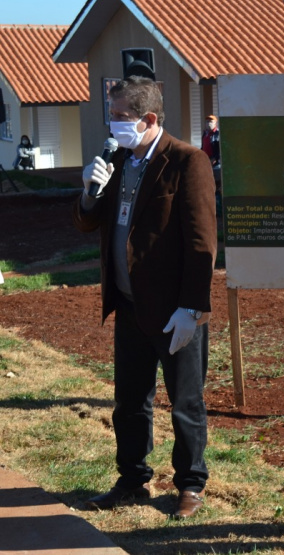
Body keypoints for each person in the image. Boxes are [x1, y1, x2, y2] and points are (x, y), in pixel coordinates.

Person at [72, 76, 217, 520]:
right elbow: (88, 223)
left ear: (149, 119)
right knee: (130, 401)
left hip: (175, 310)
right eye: (111, 116)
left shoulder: (186, 162)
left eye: (120, 117)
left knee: (185, 402)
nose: (112, 125)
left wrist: (192, 308)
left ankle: (190, 484)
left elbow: (201, 242)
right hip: (130, 304)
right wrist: (89, 192)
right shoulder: (117, 158)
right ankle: (133, 479)